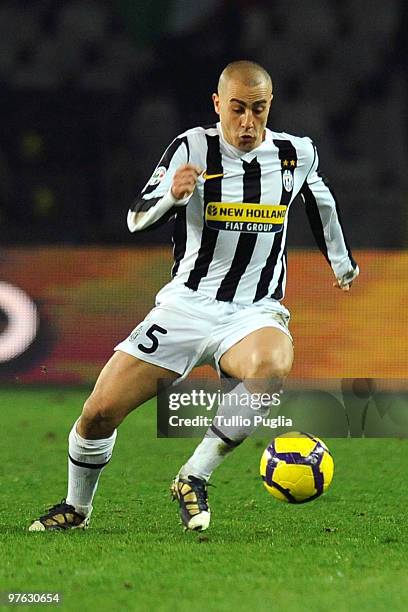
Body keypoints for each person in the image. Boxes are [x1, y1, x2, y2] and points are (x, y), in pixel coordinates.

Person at [29, 60, 358, 532]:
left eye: (259, 110)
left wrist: (342, 262)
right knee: (99, 413)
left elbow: (320, 200)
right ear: (217, 103)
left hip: (253, 312)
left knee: (271, 367)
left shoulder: (295, 153)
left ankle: (193, 477)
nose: (248, 123)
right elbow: (136, 217)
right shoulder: (192, 147)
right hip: (185, 307)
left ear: (270, 106)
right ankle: (77, 508)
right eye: (238, 109)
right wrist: (172, 198)